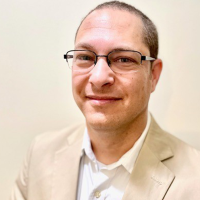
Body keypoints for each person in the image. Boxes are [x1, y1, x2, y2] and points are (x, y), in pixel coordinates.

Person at [11, 1, 200, 200]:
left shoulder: (195, 181)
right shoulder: (40, 154)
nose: (99, 78)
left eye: (124, 59)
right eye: (85, 57)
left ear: (153, 75)